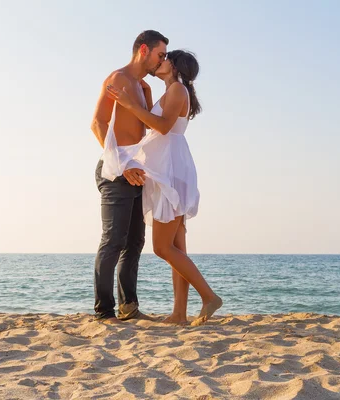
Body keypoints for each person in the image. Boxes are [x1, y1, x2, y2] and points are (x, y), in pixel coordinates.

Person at [106, 50, 222, 326]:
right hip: (168, 167)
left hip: (170, 170)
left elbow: (162, 125)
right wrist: (143, 95)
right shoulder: (172, 91)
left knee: (162, 247)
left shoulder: (179, 89)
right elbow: (155, 124)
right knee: (177, 246)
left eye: (166, 57)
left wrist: (130, 104)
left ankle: (209, 297)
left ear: (175, 66)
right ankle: (179, 314)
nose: (161, 61)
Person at [90, 30, 168, 323]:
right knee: (113, 241)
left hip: (137, 171)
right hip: (115, 170)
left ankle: (129, 307)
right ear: (144, 50)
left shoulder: (142, 87)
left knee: (135, 241)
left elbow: (147, 130)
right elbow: (97, 122)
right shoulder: (118, 79)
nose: (162, 60)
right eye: (160, 55)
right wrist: (122, 165)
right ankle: (104, 312)